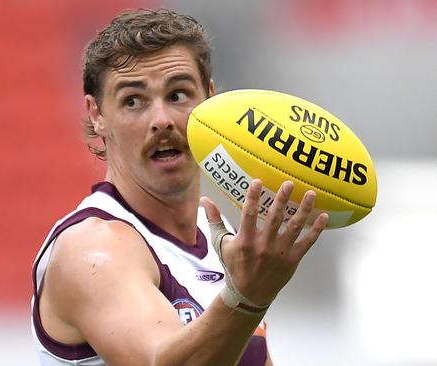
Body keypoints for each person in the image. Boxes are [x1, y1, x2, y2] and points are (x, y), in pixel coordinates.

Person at [31, 8, 327, 366]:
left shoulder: (217, 235)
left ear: (211, 101)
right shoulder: (93, 249)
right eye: (133, 101)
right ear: (97, 116)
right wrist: (247, 298)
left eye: (178, 95)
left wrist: (248, 297)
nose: (161, 120)